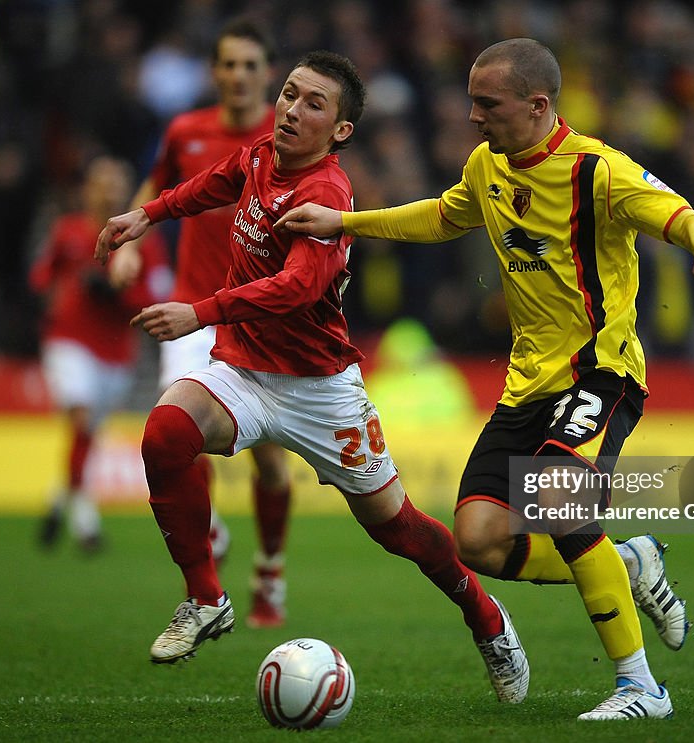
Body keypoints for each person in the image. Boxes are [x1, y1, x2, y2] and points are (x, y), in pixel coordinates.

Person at [278, 38, 694, 721]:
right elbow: (443, 213)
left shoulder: (597, 171)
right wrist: (344, 221)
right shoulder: (486, 164)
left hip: (600, 371)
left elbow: (687, 218)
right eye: (471, 101)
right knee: (479, 539)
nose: (472, 116)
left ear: (537, 105)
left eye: (486, 104)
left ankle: (642, 685)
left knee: (559, 494)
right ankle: (632, 563)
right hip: (527, 384)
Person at [94, 50, 530, 704]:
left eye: (314, 103)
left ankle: (486, 617)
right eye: (291, 94)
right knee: (165, 432)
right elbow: (216, 181)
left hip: (319, 391)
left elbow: (299, 287)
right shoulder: (262, 153)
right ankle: (206, 597)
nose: (293, 109)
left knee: (399, 528)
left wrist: (201, 312)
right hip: (243, 368)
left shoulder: (325, 191)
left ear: (341, 130)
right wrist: (148, 216)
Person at [108, 17, 293, 629]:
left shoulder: (284, 137)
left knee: (268, 462)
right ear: (213, 72)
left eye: (250, 65)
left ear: (268, 75)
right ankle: (208, 562)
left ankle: (269, 567)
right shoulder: (186, 131)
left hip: (258, 317)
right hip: (190, 314)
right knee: (177, 435)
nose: (238, 75)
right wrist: (134, 240)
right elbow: (158, 187)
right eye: (228, 64)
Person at [31, 156, 171, 553]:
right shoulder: (68, 230)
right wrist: (58, 287)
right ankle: (85, 521)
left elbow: (159, 293)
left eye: (116, 184)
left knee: (87, 430)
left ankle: (60, 501)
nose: (108, 191)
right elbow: (41, 274)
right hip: (69, 341)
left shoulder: (146, 239)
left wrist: (119, 293)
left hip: (116, 351)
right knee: (81, 413)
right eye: (101, 183)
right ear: (87, 189)